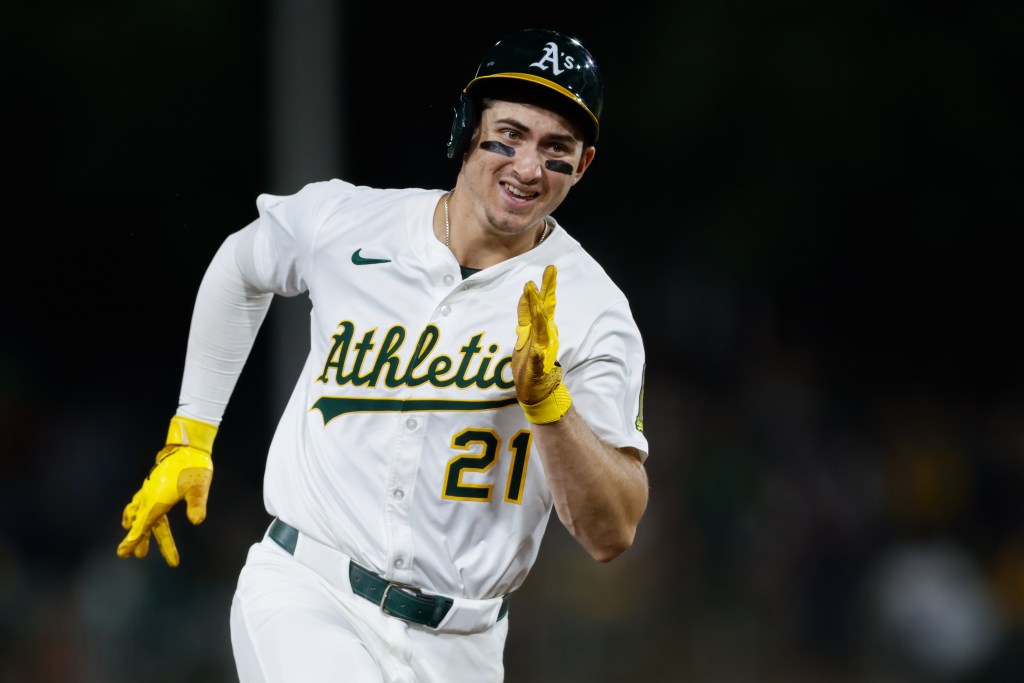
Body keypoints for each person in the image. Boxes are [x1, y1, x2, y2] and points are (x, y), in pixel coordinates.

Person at [116, 27, 649, 683]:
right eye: (509, 134)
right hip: (309, 593)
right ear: (467, 126)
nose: (528, 165)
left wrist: (550, 405)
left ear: (584, 163)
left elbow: (612, 528)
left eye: (555, 148)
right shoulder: (351, 224)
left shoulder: (593, 308)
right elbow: (240, 266)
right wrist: (191, 434)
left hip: (466, 644)